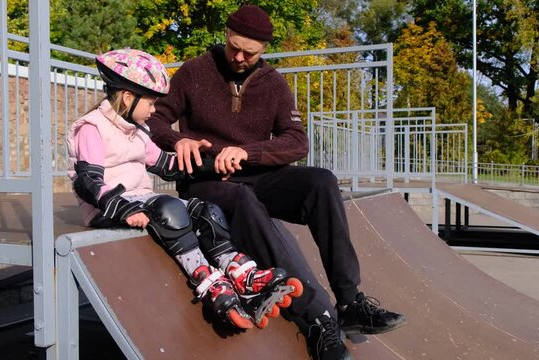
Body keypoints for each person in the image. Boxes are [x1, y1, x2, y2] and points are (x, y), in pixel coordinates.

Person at [147, 5, 407, 360]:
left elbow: (296, 141)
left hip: (259, 176)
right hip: (207, 183)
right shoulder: (194, 72)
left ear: (264, 49)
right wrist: (179, 141)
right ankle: (317, 320)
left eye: (249, 52)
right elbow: (156, 118)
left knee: (321, 182)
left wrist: (248, 153)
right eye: (234, 47)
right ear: (226, 36)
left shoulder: (273, 83)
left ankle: (350, 303)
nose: (239, 57)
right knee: (242, 200)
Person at [66, 48, 302, 330]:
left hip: (141, 201)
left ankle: (238, 272)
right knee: (170, 208)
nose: (154, 111)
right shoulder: (92, 128)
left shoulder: (136, 130)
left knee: (207, 211)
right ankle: (205, 278)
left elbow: (166, 164)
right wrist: (123, 209)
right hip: (106, 207)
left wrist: (211, 164)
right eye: (151, 103)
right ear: (128, 97)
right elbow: (87, 182)